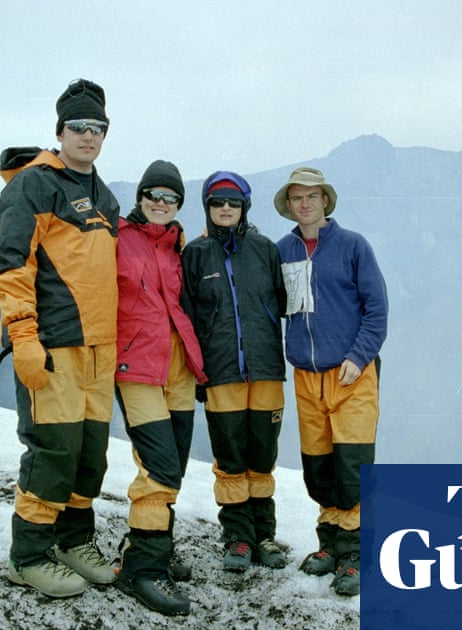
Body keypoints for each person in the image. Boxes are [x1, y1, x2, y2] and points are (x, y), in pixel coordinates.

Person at [0, 78, 120, 599]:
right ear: (60, 131)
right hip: (54, 345)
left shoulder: (103, 195)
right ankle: (27, 556)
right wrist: (24, 337)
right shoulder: (33, 186)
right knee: (53, 452)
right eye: (78, 127)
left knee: (90, 455)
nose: (88, 136)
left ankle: (73, 541)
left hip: (99, 350)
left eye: (98, 128)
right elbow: (11, 266)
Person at [273, 166, 387, 597]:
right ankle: (330, 543)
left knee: (353, 467)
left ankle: (355, 553)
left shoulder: (353, 246)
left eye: (312, 196)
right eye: (297, 197)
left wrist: (359, 358)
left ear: (325, 200)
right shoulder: (282, 251)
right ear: (289, 205)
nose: (305, 203)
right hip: (306, 376)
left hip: (351, 375)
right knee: (319, 468)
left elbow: (377, 309)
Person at [181, 171, 289, 573]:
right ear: (207, 206)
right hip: (221, 371)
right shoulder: (195, 254)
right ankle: (238, 538)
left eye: (234, 202)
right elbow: (188, 317)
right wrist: (196, 372)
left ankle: (264, 536)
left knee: (262, 456)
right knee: (230, 458)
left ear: (245, 207)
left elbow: (283, 302)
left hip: (266, 370)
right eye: (217, 202)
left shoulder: (265, 250)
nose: (225, 208)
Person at [112, 159, 207, 616]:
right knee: (160, 466)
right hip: (135, 368)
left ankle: (153, 543)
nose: (161, 203)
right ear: (141, 196)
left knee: (176, 465)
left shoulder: (176, 243)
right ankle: (142, 568)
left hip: (179, 368)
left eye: (171, 198)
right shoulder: (116, 237)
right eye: (154, 195)